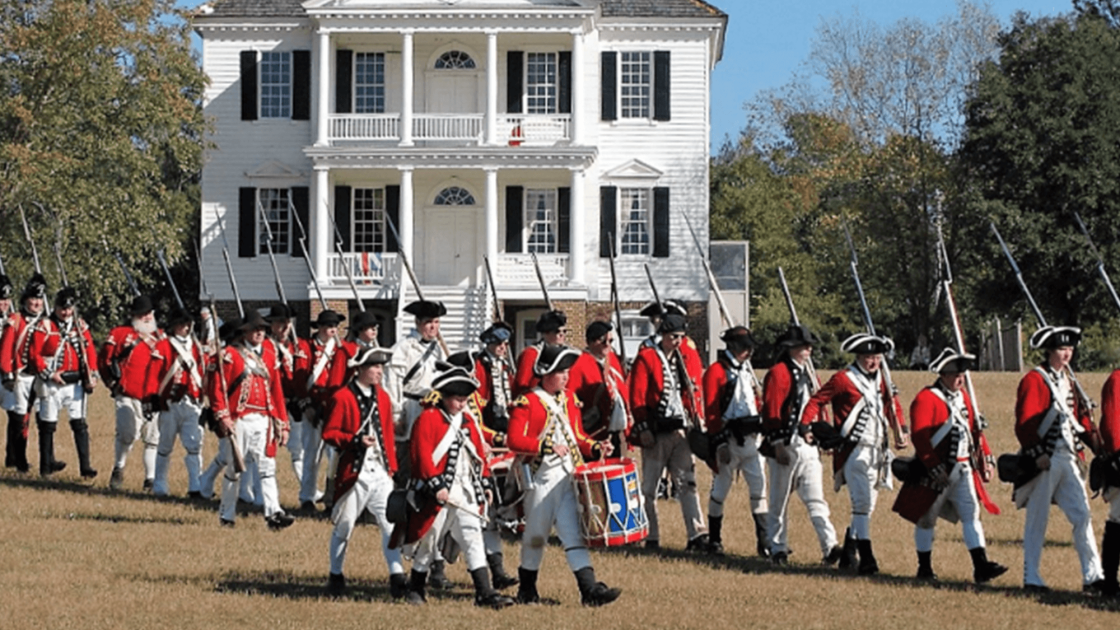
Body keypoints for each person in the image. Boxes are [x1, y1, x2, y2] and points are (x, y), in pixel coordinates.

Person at [508, 344, 621, 607]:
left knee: (573, 535)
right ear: (546, 373)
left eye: (567, 372)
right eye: (561, 372)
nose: (567, 377)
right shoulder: (528, 401)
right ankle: (526, 590)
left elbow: (576, 436)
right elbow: (515, 439)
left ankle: (589, 590)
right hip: (541, 479)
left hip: (567, 477)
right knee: (536, 536)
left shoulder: (569, 399)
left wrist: (595, 447)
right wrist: (544, 447)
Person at [398, 364, 514, 609]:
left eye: (464, 399)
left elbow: (477, 456)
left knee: (472, 537)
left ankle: (484, 593)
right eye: (457, 399)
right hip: (437, 494)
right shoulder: (427, 418)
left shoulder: (467, 421)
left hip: (464, 491)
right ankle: (416, 586)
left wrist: (485, 483)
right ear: (445, 397)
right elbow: (421, 455)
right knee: (430, 540)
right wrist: (436, 484)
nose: (462, 404)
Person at [892, 348, 1006, 583]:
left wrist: (986, 457)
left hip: (964, 469)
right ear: (942, 375)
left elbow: (974, 430)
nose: (960, 379)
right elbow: (920, 437)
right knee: (927, 518)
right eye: (955, 374)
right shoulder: (926, 398)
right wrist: (933, 466)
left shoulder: (965, 397)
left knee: (971, 515)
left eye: (962, 374)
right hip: (939, 471)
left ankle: (981, 565)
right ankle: (924, 568)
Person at [801, 333, 908, 575]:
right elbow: (816, 401)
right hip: (855, 450)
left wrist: (901, 429)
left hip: (877, 451)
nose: (874, 362)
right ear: (859, 356)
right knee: (861, 505)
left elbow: (892, 404)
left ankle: (849, 554)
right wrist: (805, 425)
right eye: (869, 357)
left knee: (867, 508)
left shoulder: (881, 378)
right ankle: (867, 558)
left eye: (877, 357)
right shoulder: (843, 379)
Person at [1013, 326, 1106, 593]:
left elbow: (1081, 421)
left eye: (1070, 350)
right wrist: (1037, 453)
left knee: (1082, 515)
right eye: (1062, 349)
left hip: (1069, 458)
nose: (1067, 354)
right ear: (1050, 351)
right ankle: (1032, 577)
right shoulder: (1034, 379)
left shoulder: (1070, 381)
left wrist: (1100, 448)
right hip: (1046, 459)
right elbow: (1025, 423)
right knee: (1037, 519)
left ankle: (1093, 576)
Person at [321, 346, 406, 598]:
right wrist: (355, 440)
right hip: (354, 472)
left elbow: (388, 435)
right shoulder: (342, 397)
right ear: (360, 369)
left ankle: (397, 576)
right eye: (374, 367)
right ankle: (335, 575)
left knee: (390, 525)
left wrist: (392, 467)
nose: (379, 371)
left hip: (380, 471)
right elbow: (329, 433)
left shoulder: (383, 397)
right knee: (345, 526)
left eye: (381, 367)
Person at [628, 313, 709, 551]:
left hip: (680, 430)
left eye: (682, 337)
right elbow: (638, 397)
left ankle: (696, 533)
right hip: (656, 431)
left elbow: (693, 391)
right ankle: (650, 535)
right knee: (650, 488)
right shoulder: (647, 358)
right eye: (674, 336)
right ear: (663, 335)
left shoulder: (685, 358)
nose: (678, 341)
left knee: (687, 483)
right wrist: (642, 427)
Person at [762, 324, 841, 566]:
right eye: (803, 346)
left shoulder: (809, 374)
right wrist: (777, 445)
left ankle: (830, 547)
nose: (808, 349)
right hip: (785, 443)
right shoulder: (778, 373)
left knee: (816, 499)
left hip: (807, 446)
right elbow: (772, 410)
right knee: (779, 502)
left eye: (808, 346)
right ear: (791, 349)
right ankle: (778, 548)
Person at [208, 312, 294, 530]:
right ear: (245, 331)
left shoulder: (269, 355)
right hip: (240, 419)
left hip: (264, 419)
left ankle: (273, 513)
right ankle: (227, 514)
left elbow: (276, 391)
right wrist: (222, 415)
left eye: (263, 330)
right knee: (234, 469)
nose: (259, 333)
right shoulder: (229, 355)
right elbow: (217, 387)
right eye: (255, 329)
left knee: (267, 468)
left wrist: (282, 423)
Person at [703, 325, 768, 557]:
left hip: (752, 439)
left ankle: (764, 543)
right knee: (720, 490)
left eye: (749, 348)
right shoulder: (716, 372)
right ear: (731, 347)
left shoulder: (746, 372)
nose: (748, 352)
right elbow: (711, 411)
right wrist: (719, 443)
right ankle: (714, 540)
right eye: (744, 347)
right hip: (729, 439)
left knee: (759, 491)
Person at [28, 287, 98, 478]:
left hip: (75, 382)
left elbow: (89, 351)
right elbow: (35, 354)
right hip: (53, 382)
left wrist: (92, 375)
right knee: (48, 424)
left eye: (69, 309)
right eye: (62, 309)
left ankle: (85, 467)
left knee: (79, 424)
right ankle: (45, 467)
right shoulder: (46, 326)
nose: (66, 313)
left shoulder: (80, 326)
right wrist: (50, 374)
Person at [471, 321, 519, 589]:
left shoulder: (503, 366)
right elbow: (479, 407)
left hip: (501, 434)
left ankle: (497, 570)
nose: (503, 348)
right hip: (486, 436)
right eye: (499, 343)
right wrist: (490, 436)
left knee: (491, 514)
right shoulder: (480, 367)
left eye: (505, 343)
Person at [100, 295, 162, 490]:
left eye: (149, 313)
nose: (146, 317)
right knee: (127, 433)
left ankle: (150, 479)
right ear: (133, 315)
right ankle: (119, 467)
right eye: (142, 314)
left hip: (153, 397)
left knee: (152, 440)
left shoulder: (161, 337)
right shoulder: (119, 334)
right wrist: (110, 382)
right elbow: (104, 360)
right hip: (127, 394)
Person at [150, 307, 206, 497]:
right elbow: (154, 374)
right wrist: (152, 397)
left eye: (187, 324)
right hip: (170, 402)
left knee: (194, 445)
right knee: (165, 446)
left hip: (192, 401)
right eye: (181, 324)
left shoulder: (196, 347)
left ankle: (196, 486)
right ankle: (160, 484)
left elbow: (203, 370)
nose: (185, 328)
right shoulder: (164, 346)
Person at [297, 309, 345, 510]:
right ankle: (307, 497)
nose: (332, 330)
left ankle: (332, 496)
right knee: (311, 456)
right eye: (328, 326)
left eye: (334, 326)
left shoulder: (340, 349)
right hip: (313, 406)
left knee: (334, 456)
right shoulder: (307, 348)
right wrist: (306, 404)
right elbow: (300, 379)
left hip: (333, 408)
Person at [2, 274, 48, 473]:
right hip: (13, 374)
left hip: (24, 375)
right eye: (33, 299)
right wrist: (8, 372)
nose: (3, 303)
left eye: (5, 300)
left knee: (20, 417)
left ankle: (15, 458)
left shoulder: (40, 322)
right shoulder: (15, 320)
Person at [265, 304, 311, 496]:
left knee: (297, 449)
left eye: (287, 323)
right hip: (273, 402)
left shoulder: (298, 346)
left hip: (295, 403)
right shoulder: (267, 347)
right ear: (272, 325)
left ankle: (306, 488)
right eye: (280, 323)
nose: (284, 327)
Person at [568, 320, 629, 454]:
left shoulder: (612, 358)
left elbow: (622, 390)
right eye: (603, 341)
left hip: (615, 431)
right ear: (591, 342)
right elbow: (570, 398)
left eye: (610, 341)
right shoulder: (579, 364)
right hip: (593, 433)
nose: (607, 345)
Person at [1097, 358, 1120, 595]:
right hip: (1119, 462)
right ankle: (1110, 581)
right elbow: (1113, 425)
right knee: (1118, 520)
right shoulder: (1117, 380)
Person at [512, 309, 567, 397]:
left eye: (564, 331)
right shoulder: (531, 353)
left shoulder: (565, 353)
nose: (562, 335)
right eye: (557, 331)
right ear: (546, 333)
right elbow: (522, 384)